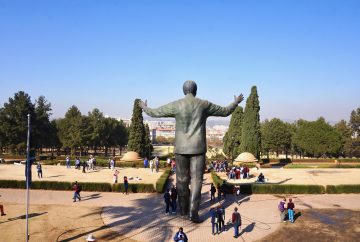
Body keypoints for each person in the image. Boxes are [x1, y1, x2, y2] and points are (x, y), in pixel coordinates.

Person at [140, 80, 244, 222]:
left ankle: (183, 211)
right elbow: (225, 111)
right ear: (196, 90)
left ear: (184, 91)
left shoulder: (176, 104)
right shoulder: (204, 104)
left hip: (181, 148)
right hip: (198, 148)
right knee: (196, 180)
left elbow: (155, 112)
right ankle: (193, 213)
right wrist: (235, 102)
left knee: (181, 180)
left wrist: (145, 107)